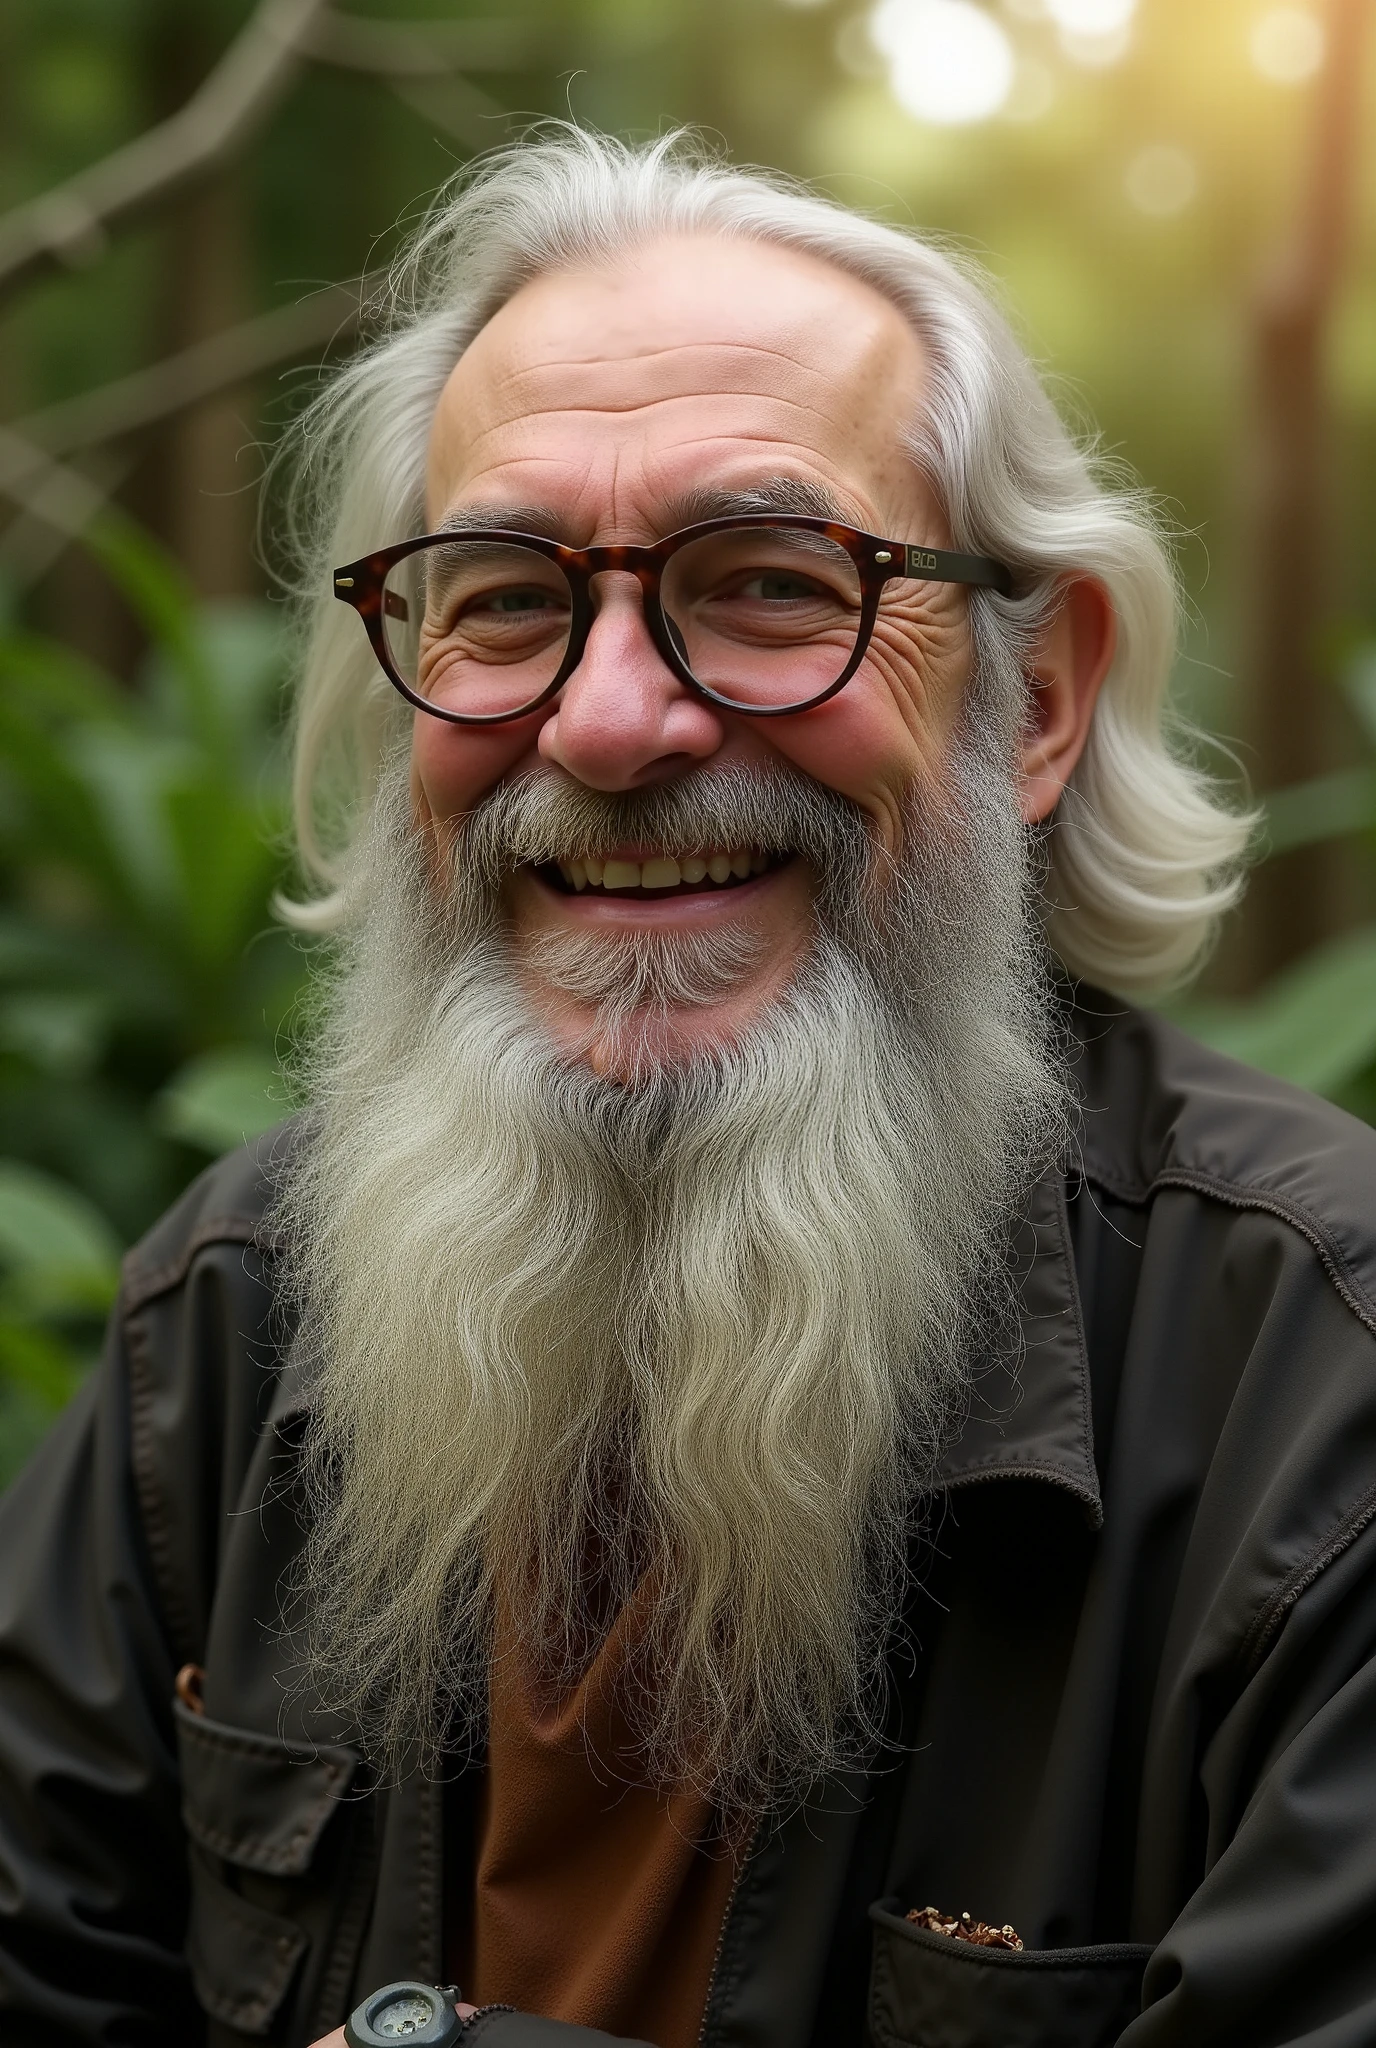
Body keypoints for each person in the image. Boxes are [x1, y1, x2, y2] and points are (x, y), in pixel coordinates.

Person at [2, 126, 1374, 2048]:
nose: (611, 719)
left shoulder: (1316, 1408)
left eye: (768, 582)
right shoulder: (224, 1330)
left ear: (1036, 702)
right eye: (496, 597)